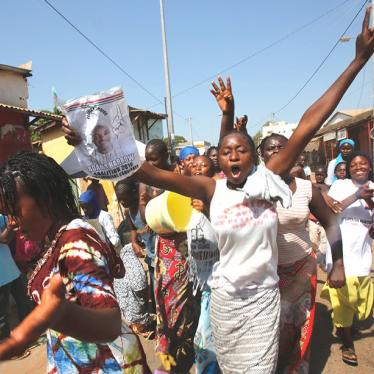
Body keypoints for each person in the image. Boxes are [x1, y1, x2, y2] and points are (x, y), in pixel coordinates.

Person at [0, 152, 150, 373]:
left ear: (44, 197)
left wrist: (58, 315)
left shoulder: (75, 242)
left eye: (14, 212)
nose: (12, 223)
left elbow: (109, 324)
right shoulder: (61, 236)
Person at [257, 133, 344, 373]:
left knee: (299, 324)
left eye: (282, 147)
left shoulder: (306, 189)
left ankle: (296, 368)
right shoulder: (253, 187)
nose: (276, 151)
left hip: (301, 268)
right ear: (262, 155)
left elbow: (331, 223)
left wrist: (338, 263)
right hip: (266, 273)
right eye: (270, 148)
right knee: (270, 327)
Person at [322, 151, 374, 366]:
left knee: (362, 307)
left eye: (363, 163)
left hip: (362, 257)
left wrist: (369, 200)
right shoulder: (341, 186)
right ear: (348, 168)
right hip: (339, 256)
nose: (358, 166)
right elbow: (331, 211)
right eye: (354, 164)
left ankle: (347, 323)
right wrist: (357, 196)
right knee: (343, 305)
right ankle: (347, 344)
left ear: (370, 167)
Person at [188, 155, 220, 374]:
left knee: (204, 334)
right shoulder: (186, 195)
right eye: (195, 165)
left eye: (204, 165)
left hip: (219, 276)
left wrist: (208, 208)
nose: (198, 167)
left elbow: (230, 230)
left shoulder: (221, 193)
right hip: (199, 278)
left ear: (213, 169)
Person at [113, 180, 155, 337]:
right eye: (120, 199)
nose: (123, 202)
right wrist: (134, 241)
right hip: (150, 256)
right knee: (154, 292)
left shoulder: (147, 207)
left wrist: (150, 227)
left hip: (160, 253)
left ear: (134, 193)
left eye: (125, 198)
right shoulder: (128, 211)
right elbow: (132, 229)